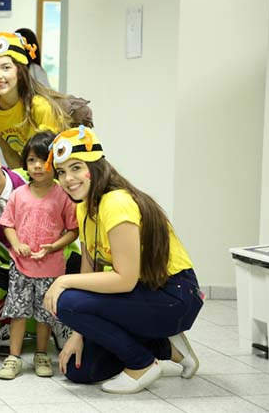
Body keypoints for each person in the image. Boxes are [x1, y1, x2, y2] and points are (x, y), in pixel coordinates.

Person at [43, 126, 203, 394]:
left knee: (66, 300)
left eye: (76, 167)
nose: (68, 179)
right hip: (144, 294)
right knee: (79, 370)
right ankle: (167, 348)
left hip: (175, 295)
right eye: (61, 172)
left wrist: (62, 281)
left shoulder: (116, 202)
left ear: (95, 166)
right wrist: (78, 333)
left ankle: (142, 364)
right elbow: (90, 267)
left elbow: (125, 280)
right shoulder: (84, 205)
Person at [0, 139, 78, 357]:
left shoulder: (32, 177)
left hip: (52, 257)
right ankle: (9, 324)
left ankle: (60, 321)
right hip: (7, 264)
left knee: (79, 273)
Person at [0, 131, 78, 380]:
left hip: (52, 268)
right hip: (21, 266)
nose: (37, 166)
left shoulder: (63, 195)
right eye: (32, 160)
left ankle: (42, 354)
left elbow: (73, 230)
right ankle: (14, 357)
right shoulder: (18, 194)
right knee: (18, 313)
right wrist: (17, 243)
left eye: (44, 160)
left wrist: (54, 246)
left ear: (54, 163)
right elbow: (8, 224)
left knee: (45, 316)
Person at [0, 31, 70, 169]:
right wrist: (21, 183)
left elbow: (46, 159)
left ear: (19, 71)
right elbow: (8, 152)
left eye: (6, 68)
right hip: (31, 170)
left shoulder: (40, 107)